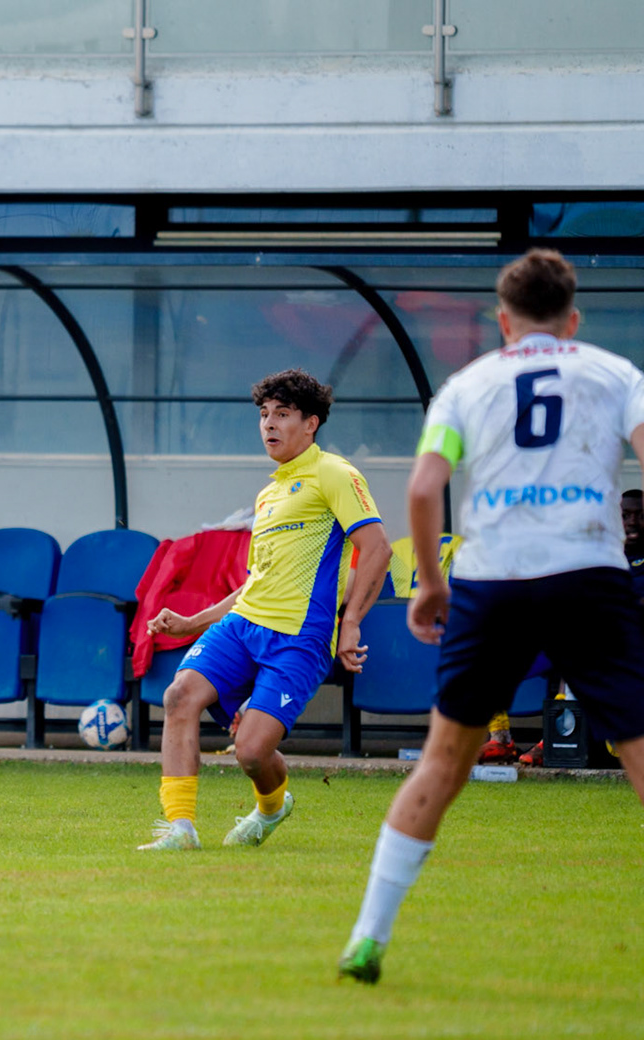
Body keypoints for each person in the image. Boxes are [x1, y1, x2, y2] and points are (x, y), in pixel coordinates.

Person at [339, 249, 644, 984]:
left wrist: (432, 585)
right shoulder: (615, 374)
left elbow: (422, 488)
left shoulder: (467, 385)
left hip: (492, 583)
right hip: (587, 573)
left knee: (444, 764)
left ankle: (368, 938)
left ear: (503, 323)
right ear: (572, 318)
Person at [140, 369, 390, 850]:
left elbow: (377, 549)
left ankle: (273, 807)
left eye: (282, 414)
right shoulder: (270, 492)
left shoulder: (334, 473)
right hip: (241, 626)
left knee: (253, 752)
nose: (269, 425)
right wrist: (193, 621)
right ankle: (180, 830)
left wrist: (351, 622)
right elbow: (257, 581)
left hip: (299, 637)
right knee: (178, 697)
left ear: (311, 423)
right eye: (264, 415)